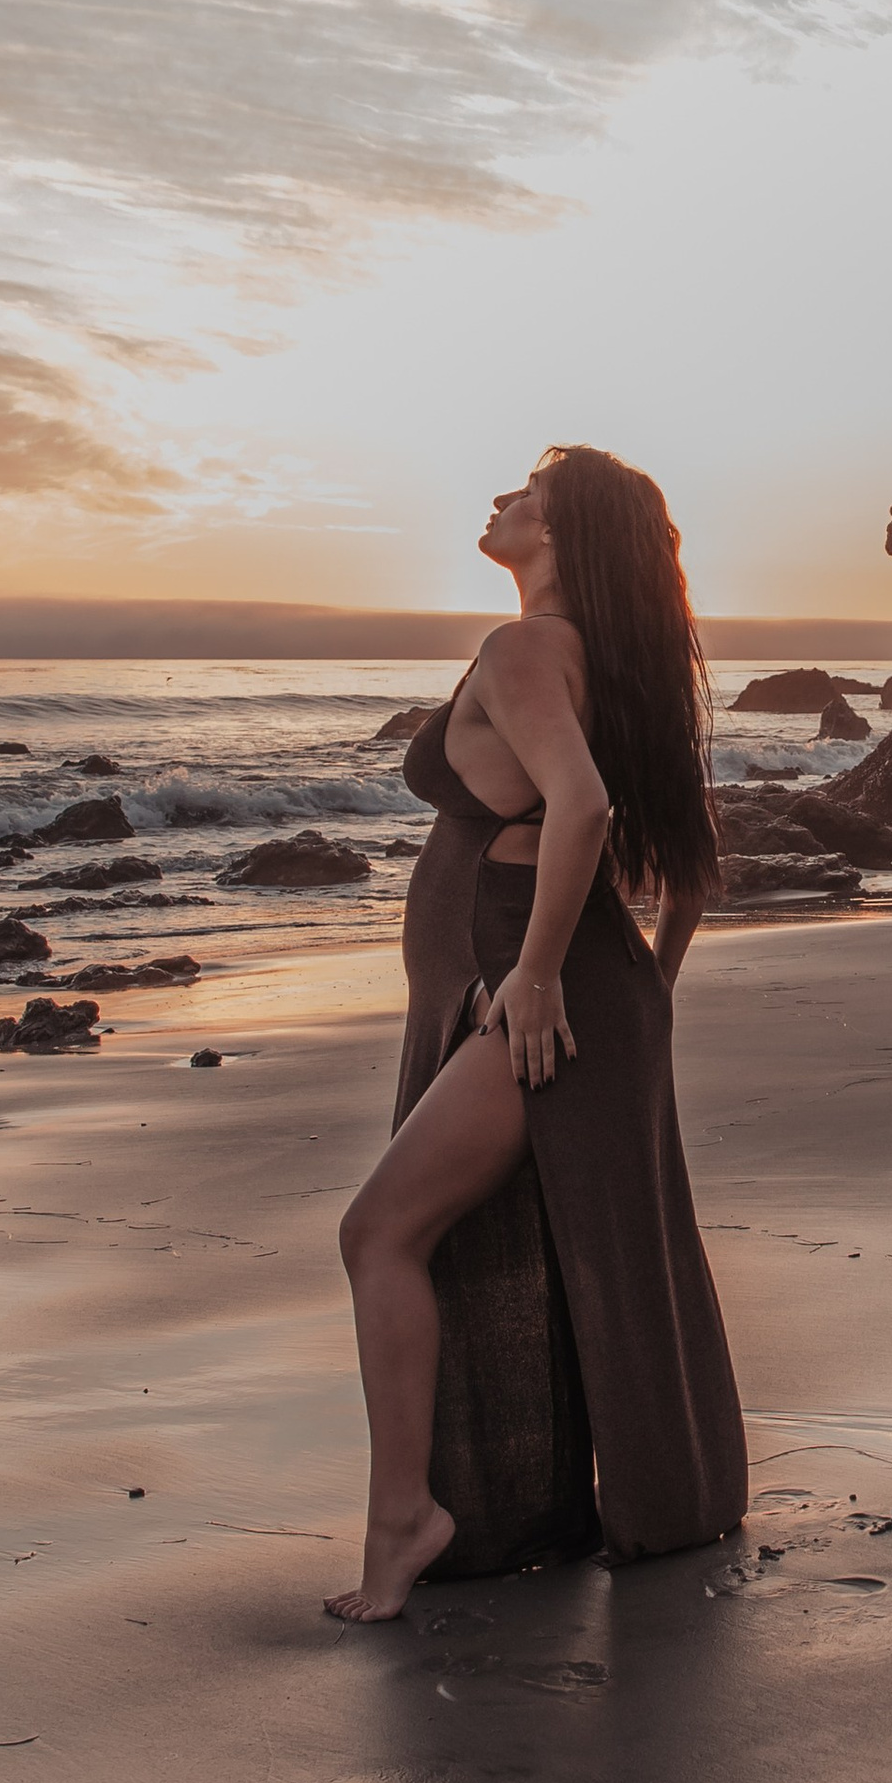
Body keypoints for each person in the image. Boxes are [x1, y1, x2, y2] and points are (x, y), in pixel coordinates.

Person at [324, 446, 749, 1622]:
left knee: (381, 1235)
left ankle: (407, 1521)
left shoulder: (523, 652)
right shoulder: (610, 665)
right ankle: (556, 1502)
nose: (500, 500)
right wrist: (637, 990)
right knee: (544, 1251)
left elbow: (587, 807)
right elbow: (694, 868)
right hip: (568, 986)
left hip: (534, 988)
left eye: (524, 495)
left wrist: (540, 976)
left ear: (558, 535)